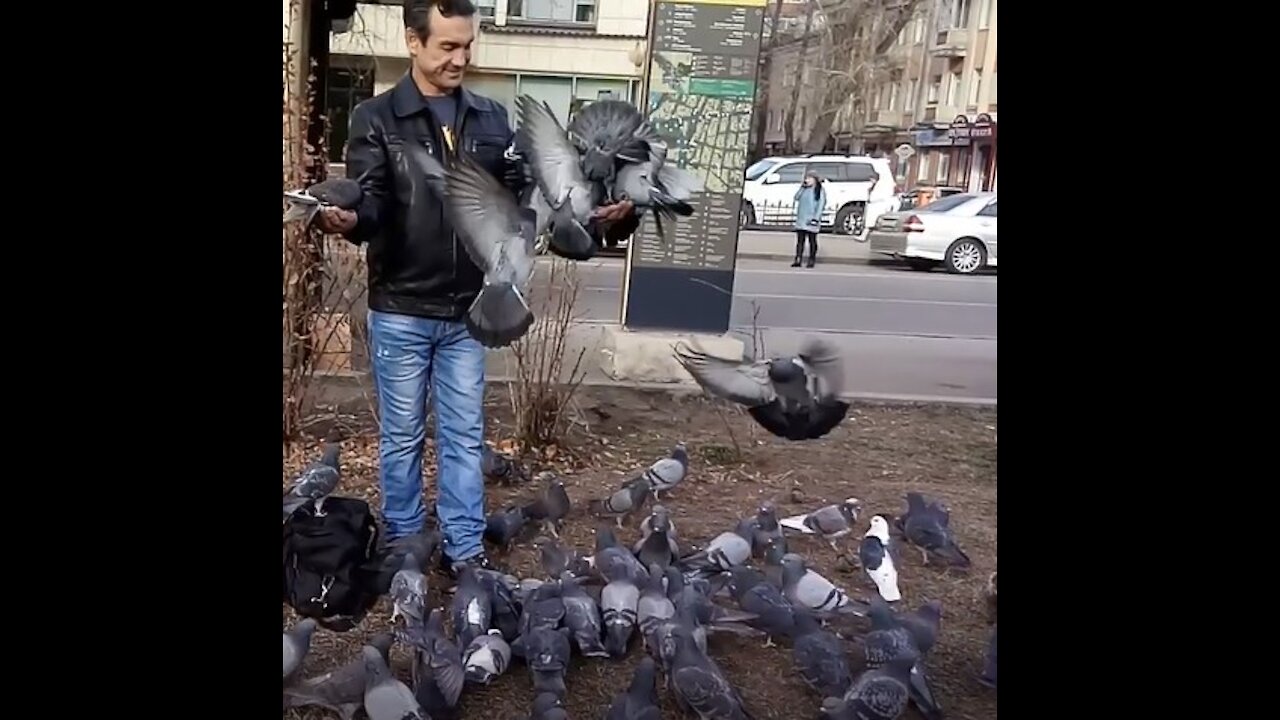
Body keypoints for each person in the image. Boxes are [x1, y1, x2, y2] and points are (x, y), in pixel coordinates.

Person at [313, 0, 635, 577]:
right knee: (402, 438)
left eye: (467, 46)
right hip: (402, 307)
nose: (460, 58)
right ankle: (405, 542)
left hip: (470, 310)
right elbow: (372, 201)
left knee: (465, 437)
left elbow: (523, 200)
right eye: (447, 47)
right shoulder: (376, 118)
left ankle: (464, 549)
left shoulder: (490, 119)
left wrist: (589, 215)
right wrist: (348, 220)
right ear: (414, 43)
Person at [792, 170, 826, 268]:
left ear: (815, 180)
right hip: (802, 218)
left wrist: (816, 217)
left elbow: (821, 205)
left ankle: (811, 259)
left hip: (811, 219)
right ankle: (798, 258)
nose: (807, 180)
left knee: (812, 241)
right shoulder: (804, 189)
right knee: (800, 241)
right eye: (806, 178)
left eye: (809, 178)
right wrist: (802, 187)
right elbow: (796, 197)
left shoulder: (819, 190)